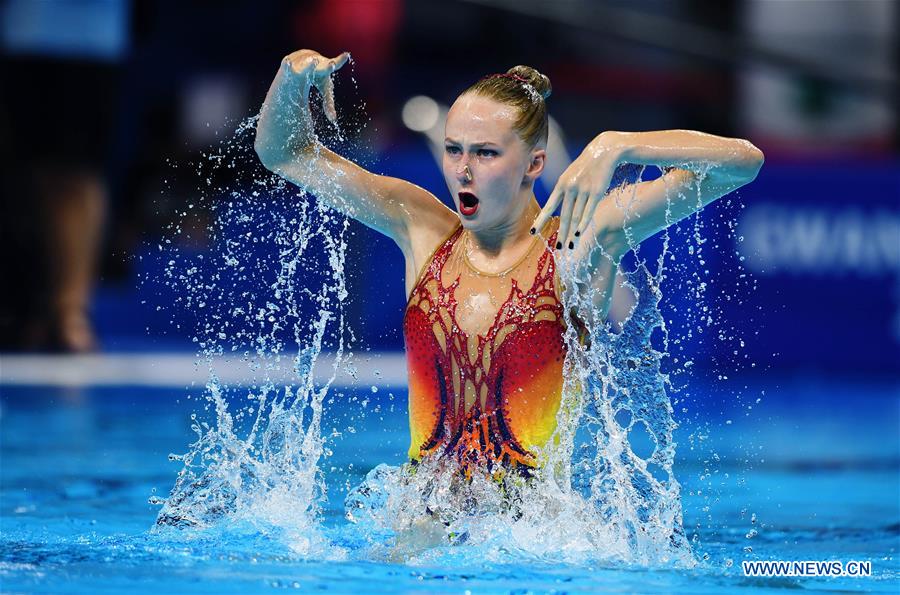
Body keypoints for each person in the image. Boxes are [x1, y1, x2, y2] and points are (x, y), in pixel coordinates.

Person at [254, 49, 764, 481]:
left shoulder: (578, 245)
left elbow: (742, 163)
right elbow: (284, 153)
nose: (463, 169)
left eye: (486, 152)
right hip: (421, 524)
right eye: (454, 149)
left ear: (535, 164)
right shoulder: (423, 229)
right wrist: (290, 73)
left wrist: (619, 144)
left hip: (533, 537)